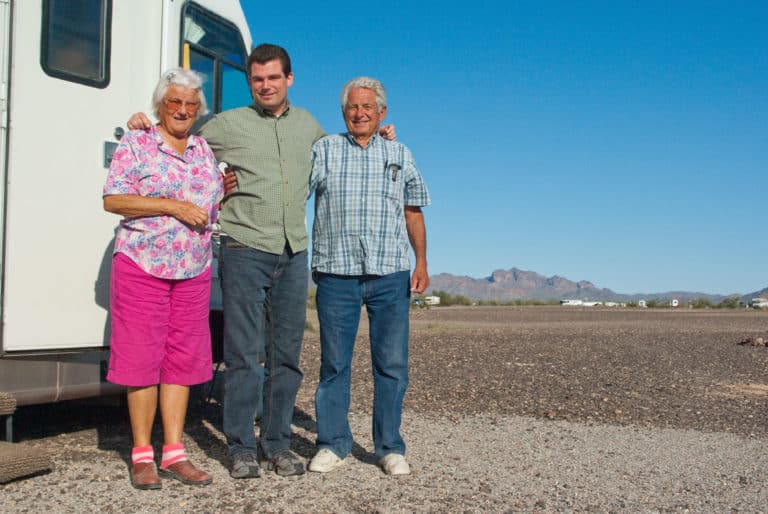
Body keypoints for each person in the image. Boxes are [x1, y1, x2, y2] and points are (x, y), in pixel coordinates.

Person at [128, 44, 395, 479]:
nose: (265, 85)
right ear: (250, 83)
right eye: (257, 79)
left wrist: (381, 134)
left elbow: (346, 150)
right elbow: (178, 134)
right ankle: (240, 447)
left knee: (286, 355)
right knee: (242, 354)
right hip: (244, 247)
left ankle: (276, 443)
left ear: (289, 79)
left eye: (273, 77)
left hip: (293, 252)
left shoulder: (309, 126)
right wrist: (143, 122)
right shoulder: (227, 124)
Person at [103, 68, 223, 490]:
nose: (183, 110)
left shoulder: (204, 150)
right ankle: (141, 455)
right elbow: (113, 199)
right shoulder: (138, 142)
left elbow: (213, 201)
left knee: (182, 359)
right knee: (142, 357)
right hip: (143, 263)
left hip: (193, 268)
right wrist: (171, 206)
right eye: (175, 102)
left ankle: (174, 452)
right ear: (160, 104)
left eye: (191, 105)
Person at [307, 77, 430, 476]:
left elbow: (414, 210)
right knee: (334, 365)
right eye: (351, 108)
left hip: (390, 272)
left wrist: (422, 262)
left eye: (366, 107)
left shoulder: (399, 153)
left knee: (392, 365)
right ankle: (332, 444)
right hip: (335, 272)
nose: (359, 114)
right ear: (343, 112)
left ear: (382, 113)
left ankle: (389, 447)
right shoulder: (324, 150)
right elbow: (293, 191)